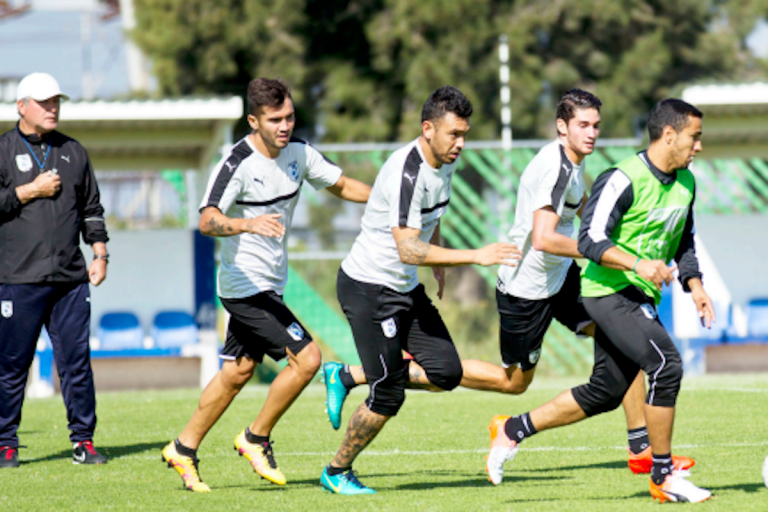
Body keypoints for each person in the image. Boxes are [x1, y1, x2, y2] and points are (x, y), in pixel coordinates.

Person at [323, 89, 693, 475]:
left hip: (559, 277)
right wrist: (602, 251)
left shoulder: (567, 163)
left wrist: (610, 232)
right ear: (562, 127)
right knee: (512, 383)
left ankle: (641, 448)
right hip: (525, 290)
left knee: (621, 333)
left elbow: (578, 206)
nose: (592, 133)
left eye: (596, 125)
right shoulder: (548, 167)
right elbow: (544, 239)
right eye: (583, 125)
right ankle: (354, 384)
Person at [486, 99, 714, 504]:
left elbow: (684, 240)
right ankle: (661, 472)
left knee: (606, 390)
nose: (698, 146)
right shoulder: (622, 178)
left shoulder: (687, 183)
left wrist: (695, 285)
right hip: (604, 291)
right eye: (694, 137)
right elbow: (589, 239)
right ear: (669, 135)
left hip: (634, 291)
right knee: (665, 364)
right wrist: (637, 262)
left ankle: (513, 430)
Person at [160, 77, 370, 492]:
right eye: (275, 119)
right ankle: (255, 438)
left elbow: (342, 185)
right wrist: (246, 223)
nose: (285, 125)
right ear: (253, 120)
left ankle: (183, 448)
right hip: (243, 286)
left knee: (237, 372)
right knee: (307, 359)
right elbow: (206, 220)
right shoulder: (236, 163)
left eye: (290, 116)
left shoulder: (300, 153)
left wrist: (388, 199)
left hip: (270, 284)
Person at [320, 86, 520, 495]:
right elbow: (408, 249)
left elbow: (430, 217)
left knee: (447, 372)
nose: (460, 144)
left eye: (465, 134)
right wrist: (473, 256)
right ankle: (336, 471)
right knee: (389, 393)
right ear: (427, 129)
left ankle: (346, 375)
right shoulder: (405, 173)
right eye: (453, 135)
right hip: (369, 289)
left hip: (404, 288)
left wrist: (441, 261)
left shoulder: (443, 161)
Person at [0, 72, 109, 467]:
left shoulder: (74, 151)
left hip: (70, 281)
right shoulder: (2, 150)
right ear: (21, 105)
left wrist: (100, 254)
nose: (53, 108)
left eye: (56, 101)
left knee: (76, 364)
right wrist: (31, 191)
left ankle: (84, 441)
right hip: (18, 279)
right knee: (12, 366)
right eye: (44, 102)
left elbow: (92, 210)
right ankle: (5, 444)